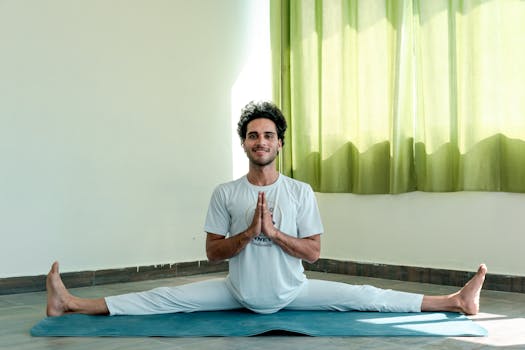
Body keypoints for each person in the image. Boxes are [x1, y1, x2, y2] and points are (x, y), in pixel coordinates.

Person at [46, 101, 487, 317]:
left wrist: (274, 234)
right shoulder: (225, 192)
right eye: (253, 135)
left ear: (280, 143)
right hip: (236, 291)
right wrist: (246, 234)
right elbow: (213, 254)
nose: (261, 142)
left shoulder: (300, 191)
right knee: (163, 297)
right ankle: (68, 302)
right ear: (244, 143)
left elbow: (313, 254)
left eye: (268, 135)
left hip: (293, 292)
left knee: (365, 296)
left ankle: (454, 300)